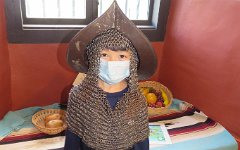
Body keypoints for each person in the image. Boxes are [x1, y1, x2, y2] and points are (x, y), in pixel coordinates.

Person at [64, 1, 157, 150]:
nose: (113, 62)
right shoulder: (79, 96)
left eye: (122, 56)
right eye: (105, 54)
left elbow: (141, 143)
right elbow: (72, 142)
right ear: (93, 58)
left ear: (132, 62)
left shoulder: (137, 99)